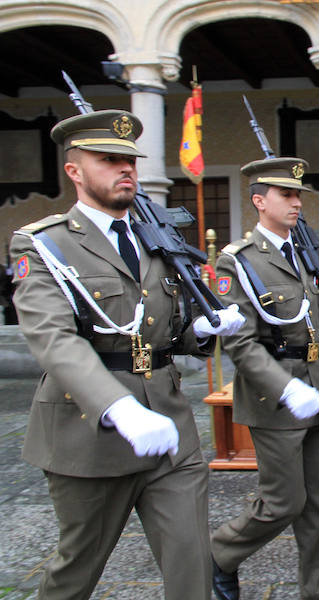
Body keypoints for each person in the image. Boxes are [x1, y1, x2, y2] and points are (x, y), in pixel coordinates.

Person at [9, 109, 244, 599]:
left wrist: (199, 330)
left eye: (131, 161)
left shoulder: (155, 241)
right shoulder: (42, 244)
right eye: (109, 159)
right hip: (88, 432)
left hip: (169, 425)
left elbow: (163, 331)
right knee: (77, 569)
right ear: (74, 170)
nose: (126, 170)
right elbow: (54, 339)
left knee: (191, 566)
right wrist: (118, 408)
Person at [210, 157, 319, 600]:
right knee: (283, 502)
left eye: (298, 194)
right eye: (286, 194)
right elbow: (240, 344)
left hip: (317, 389)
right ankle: (219, 554)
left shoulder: (305, 255)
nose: (296, 202)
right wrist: (285, 387)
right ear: (260, 201)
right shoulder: (237, 262)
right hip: (274, 398)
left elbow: (312, 321)